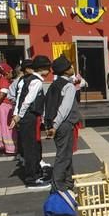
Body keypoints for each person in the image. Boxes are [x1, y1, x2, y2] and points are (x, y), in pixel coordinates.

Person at [11, 55, 51, 189]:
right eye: (47, 68)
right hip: (29, 117)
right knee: (31, 148)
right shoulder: (37, 82)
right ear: (41, 69)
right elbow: (27, 100)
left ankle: (36, 173)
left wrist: (16, 114)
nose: (49, 71)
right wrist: (19, 115)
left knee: (32, 146)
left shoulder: (25, 79)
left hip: (27, 117)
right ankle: (31, 179)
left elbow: (19, 98)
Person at [44, 55, 80, 193]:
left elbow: (48, 105)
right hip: (63, 124)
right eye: (70, 66)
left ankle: (69, 180)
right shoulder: (68, 86)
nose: (73, 68)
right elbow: (64, 108)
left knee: (66, 153)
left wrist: (48, 124)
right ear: (65, 70)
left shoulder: (54, 84)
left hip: (55, 123)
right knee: (63, 156)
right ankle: (57, 185)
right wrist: (55, 125)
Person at [0, 63, 16, 155]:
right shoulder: (4, 81)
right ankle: (10, 147)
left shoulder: (2, 80)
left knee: (1, 126)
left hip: (2, 107)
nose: (12, 74)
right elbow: (1, 96)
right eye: (11, 72)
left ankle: (1, 145)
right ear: (7, 72)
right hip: (4, 106)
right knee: (7, 127)